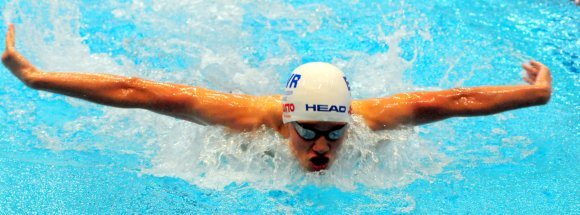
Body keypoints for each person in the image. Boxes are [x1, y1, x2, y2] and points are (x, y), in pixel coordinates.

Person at [2, 24, 552, 171]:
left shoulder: (367, 121)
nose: (322, 147)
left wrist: (534, 97)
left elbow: (454, 100)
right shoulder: (246, 120)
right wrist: (36, 77)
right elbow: (136, 91)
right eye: (308, 132)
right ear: (285, 122)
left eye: (334, 134)